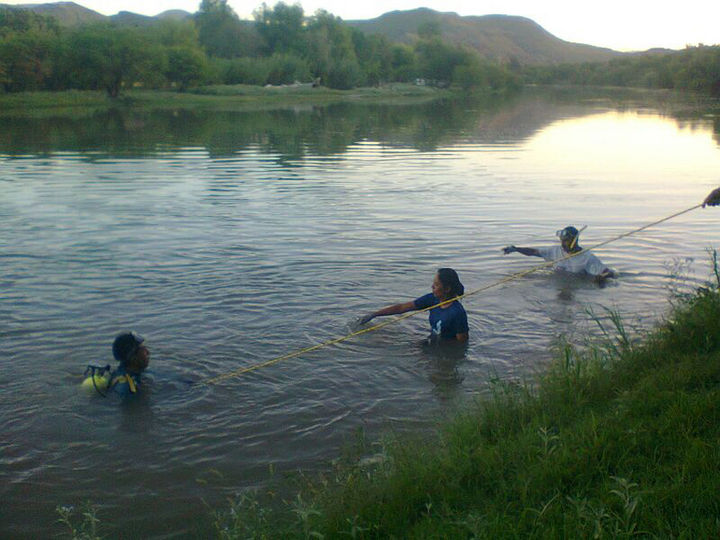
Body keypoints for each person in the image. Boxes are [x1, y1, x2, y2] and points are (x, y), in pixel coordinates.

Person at [359, 268, 469, 343]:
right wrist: (374, 314)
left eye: (436, 285)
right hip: (432, 341)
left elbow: (461, 344)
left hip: (440, 348)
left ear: (447, 289)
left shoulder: (457, 313)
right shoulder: (432, 299)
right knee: (384, 339)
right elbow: (402, 308)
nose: (432, 287)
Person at [503, 226, 615, 282]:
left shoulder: (587, 257)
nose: (562, 243)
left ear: (573, 241)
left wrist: (600, 278)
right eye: (561, 240)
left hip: (576, 286)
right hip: (558, 282)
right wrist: (516, 249)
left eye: (565, 241)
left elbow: (609, 273)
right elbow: (533, 252)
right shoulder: (555, 251)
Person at [108, 331, 151, 396]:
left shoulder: (135, 371)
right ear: (132, 356)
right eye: (143, 349)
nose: (148, 352)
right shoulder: (126, 388)